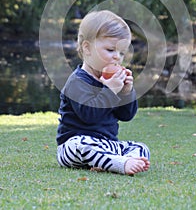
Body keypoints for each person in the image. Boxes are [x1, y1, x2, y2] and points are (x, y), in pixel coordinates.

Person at [56, 10, 150, 175]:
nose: (117, 58)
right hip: (74, 147)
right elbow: (90, 115)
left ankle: (112, 161)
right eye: (110, 50)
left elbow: (126, 115)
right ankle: (119, 163)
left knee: (140, 147)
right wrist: (111, 90)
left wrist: (126, 92)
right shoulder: (77, 82)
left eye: (121, 52)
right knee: (81, 144)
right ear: (87, 48)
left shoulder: (112, 81)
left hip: (106, 145)